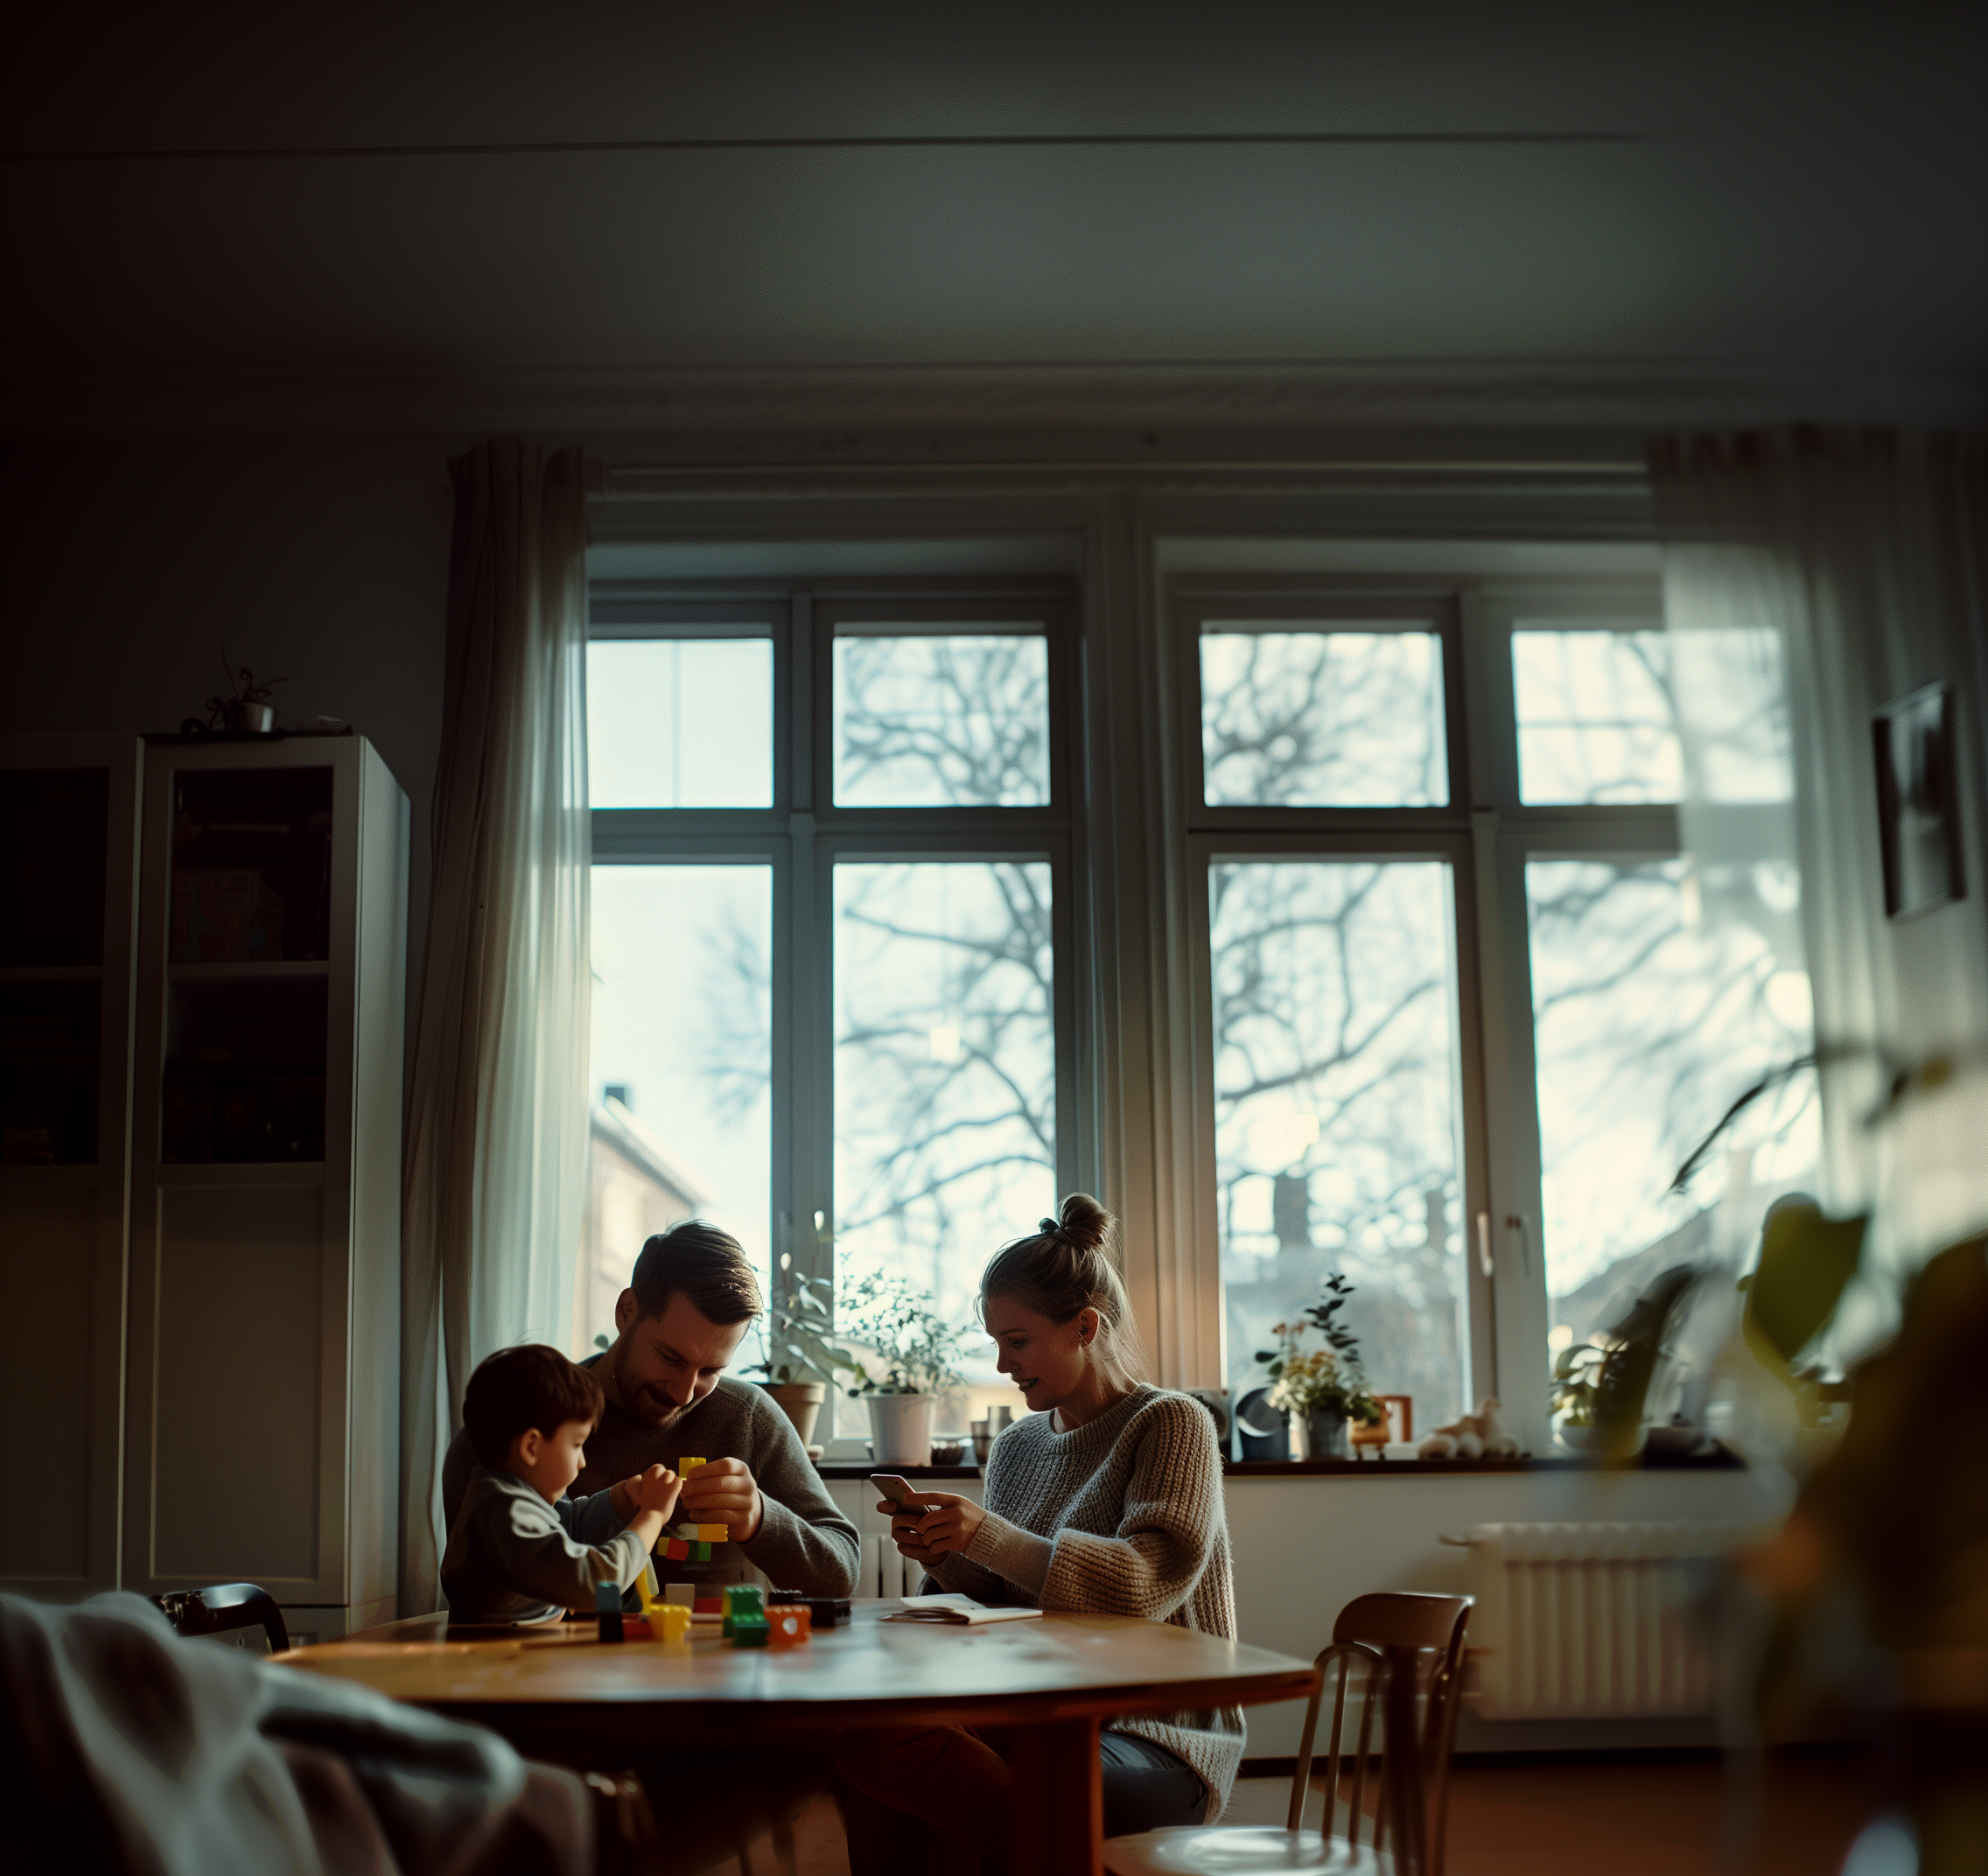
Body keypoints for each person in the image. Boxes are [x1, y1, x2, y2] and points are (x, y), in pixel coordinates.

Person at [835, 1194, 1242, 1873]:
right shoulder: (1020, 1445)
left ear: (1085, 1327)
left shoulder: (1171, 1424)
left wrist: (986, 1536)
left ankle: (1044, 1856)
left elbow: (1144, 1585)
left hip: (1155, 1735)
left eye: (1017, 1342)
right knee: (869, 1739)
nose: (1002, 1365)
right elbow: (1004, 1599)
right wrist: (949, 1551)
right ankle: (1049, 1854)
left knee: (902, 1759)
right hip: (1037, 1713)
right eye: (996, 1344)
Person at [442, 1221, 859, 1600]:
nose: (683, 1394)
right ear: (627, 1312)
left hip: (718, 1677)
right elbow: (484, 1600)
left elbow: (842, 1572)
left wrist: (761, 1519)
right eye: (671, 1358)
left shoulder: (748, 1416)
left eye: (711, 1370)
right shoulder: (523, 1420)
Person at [442, 1342, 682, 1623]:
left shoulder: (510, 1500)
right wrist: (652, 1515)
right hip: (496, 1657)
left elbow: (567, 1529)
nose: (582, 1461)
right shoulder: (503, 1515)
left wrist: (618, 1501)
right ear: (531, 1447)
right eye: (577, 1444)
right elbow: (598, 1583)